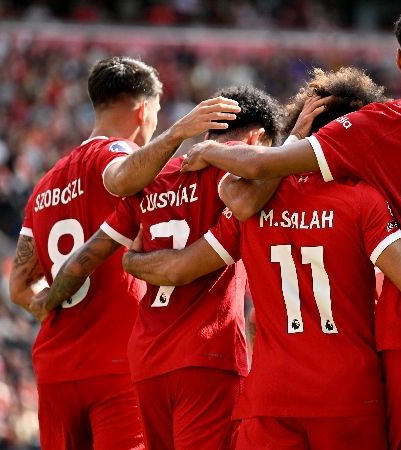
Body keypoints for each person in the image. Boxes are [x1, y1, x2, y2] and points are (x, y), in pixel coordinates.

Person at [181, 4, 401, 448]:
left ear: (400, 58)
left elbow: (251, 178)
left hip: (398, 344)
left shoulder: (373, 128)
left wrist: (209, 151)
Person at [7, 56, 240, 450]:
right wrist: (177, 134)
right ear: (144, 110)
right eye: (158, 115)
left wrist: (49, 304)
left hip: (54, 367)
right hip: (114, 365)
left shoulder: (46, 183)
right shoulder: (114, 153)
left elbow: (18, 286)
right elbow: (119, 179)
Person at [33, 85, 284, 450]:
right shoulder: (236, 175)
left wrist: (48, 301)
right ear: (257, 136)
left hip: (148, 361)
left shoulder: (153, 179)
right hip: (207, 355)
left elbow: (90, 254)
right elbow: (265, 173)